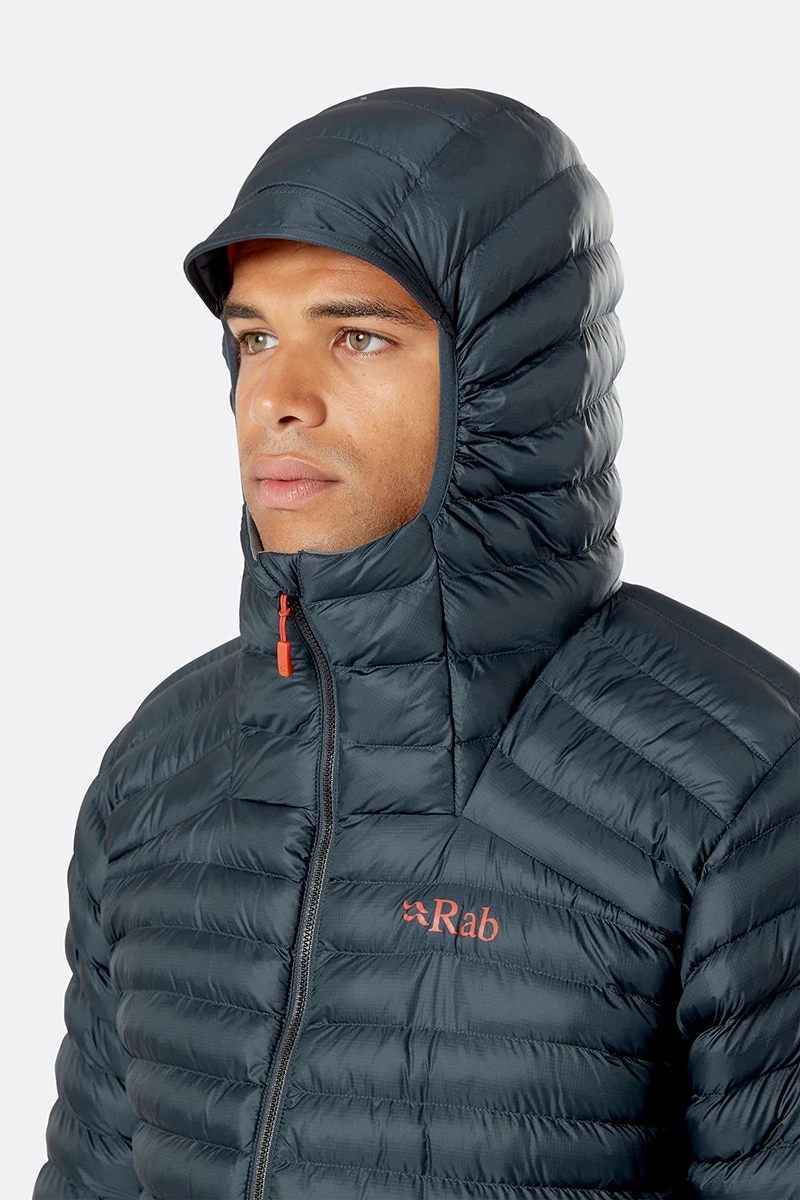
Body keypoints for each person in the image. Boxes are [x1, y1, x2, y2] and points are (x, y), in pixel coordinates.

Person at [34, 86, 798, 1200]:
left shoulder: (733, 785)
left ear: (503, 377)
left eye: (357, 336)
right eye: (255, 338)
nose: (277, 399)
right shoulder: (158, 768)